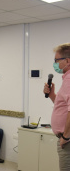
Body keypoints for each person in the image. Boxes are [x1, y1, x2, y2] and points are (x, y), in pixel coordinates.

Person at [43, 43, 70, 171]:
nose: (55, 64)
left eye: (56, 60)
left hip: (67, 140)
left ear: (67, 61)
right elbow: (63, 107)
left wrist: (65, 137)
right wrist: (52, 94)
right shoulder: (66, 79)